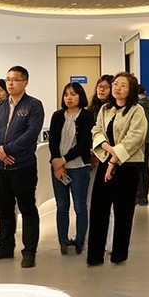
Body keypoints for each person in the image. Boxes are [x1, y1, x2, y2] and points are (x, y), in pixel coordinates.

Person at [0, 66, 45, 268]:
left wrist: (7, 149)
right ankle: (5, 247)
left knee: (27, 208)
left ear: (25, 82)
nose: (10, 83)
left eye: (15, 79)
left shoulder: (34, 105)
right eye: (8, 79)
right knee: (4, 208)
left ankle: (29, 251)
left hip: (22, 166)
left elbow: (31, 133)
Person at [87, 72, 147, 266]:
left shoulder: (137, 111)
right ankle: (95, 256)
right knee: (98, 210)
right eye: (115, 84)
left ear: (131, 90)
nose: (117, 88)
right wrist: (107, 148)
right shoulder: (106, 108)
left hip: (127, 166)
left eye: (123, 85)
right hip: (105, 160)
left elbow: (134, 138)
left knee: (123, 212)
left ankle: (119, 254)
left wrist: (114, 160)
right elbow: (96, 130)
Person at [49, 82, 94, 255]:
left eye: (73, 94)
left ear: (80, 96)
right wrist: (56, 163)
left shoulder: (87, 116)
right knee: (61, 206)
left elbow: (84, 144)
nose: (69, 97)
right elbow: (53, 141)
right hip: (58, 168)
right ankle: (63, 241)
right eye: (66, 94)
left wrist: (63, 160)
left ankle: (79, 242)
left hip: (79, 167)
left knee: (80, 207)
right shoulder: (57, 115)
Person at [87, 75, 116, 254]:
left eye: (106, 86)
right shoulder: (91, 111)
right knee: (92, 203)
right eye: (99, 86)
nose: (101, 89)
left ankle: (110, 242)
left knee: (109, 205)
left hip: (109, 161)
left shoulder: (116, 111)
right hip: (91, 163)